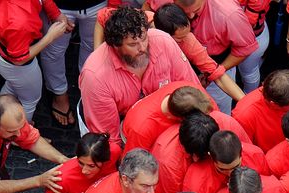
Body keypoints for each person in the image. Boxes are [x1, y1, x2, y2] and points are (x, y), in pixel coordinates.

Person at [79, 7, 201, 143]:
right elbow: (109, 140)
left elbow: (192, 90)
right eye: (133, 44)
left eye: (144, 38)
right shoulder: (95, 77)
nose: (143, 48)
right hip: (120, 128)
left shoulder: (164, 41)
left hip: (161, 123)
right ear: (115, 46)